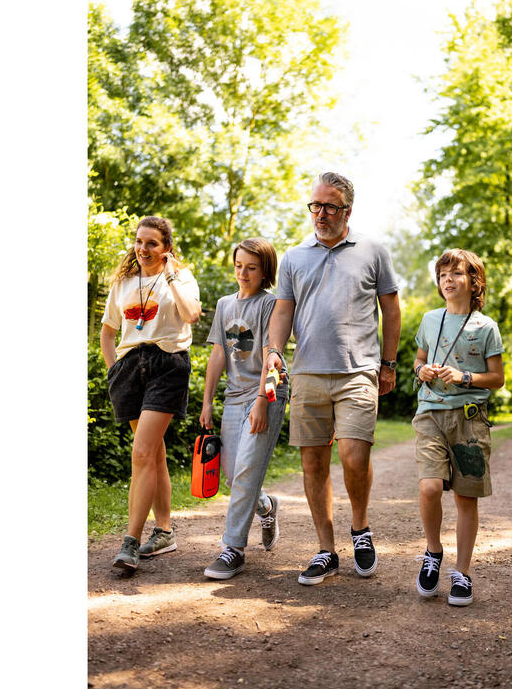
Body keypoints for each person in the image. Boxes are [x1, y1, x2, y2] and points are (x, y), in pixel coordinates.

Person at [266, 171, 401, 585]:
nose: (320, 214)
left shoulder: (373, 251)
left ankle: (359, 529)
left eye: (329, 207)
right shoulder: (293, 257)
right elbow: (283, 311)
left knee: (354, 456)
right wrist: (274, 351)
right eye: (315, 206)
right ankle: (326, 549)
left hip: (358, 370)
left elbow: (391, 310)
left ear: (347, 210)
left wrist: (389, 363)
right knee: (312, 463)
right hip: (306, 371)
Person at [100, 216, 202, 572]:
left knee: (142, 452)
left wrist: (171, 275)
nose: (142, 249)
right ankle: (164, 531)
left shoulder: (181, 278)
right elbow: (108, 331)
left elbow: (191, 314)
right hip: (129, 368)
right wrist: (114, 369)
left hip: (166, 365)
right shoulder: (124, 282)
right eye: (139, 241)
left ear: (166, 248)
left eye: (152, 243)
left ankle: (129, 542)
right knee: (153, 454)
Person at [411, 248, 504, 606]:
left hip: (469, 420)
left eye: (457, 274)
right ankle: (433, 552)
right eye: (443, 275)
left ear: (474, 281)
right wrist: (423, 371)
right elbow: (419, 359)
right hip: (431, 414)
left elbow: (496, 378)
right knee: (430, 487)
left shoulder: (486, 326)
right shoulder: (430, 319)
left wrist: (465, 376)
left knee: (467, 498)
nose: (448, 280)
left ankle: (462, 573)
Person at [200, 238, 287, 580]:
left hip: (268, 390)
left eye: (251, 267)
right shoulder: (224, 305)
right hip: (234, 395)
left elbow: (271, 353)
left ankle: (232, 548)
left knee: (247, 472)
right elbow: (219, 354)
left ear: (265, 270)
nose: (243, 273)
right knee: (233, 473)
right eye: (238, 265)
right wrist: (207, 402)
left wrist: (264, 401)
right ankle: (265, 507)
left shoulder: (271, 304)